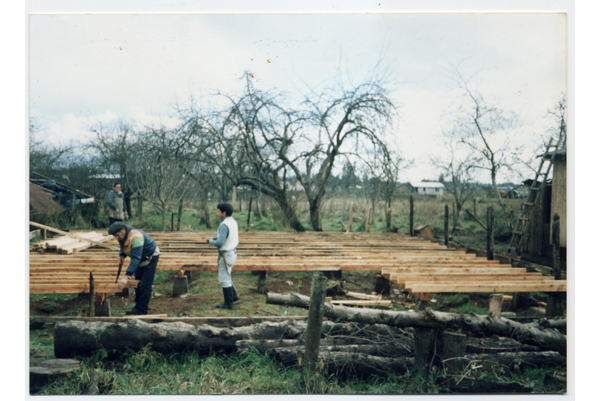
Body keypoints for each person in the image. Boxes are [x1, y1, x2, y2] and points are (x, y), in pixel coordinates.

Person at [110, 222, 160, 315]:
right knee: (137, 283)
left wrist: (126, 277)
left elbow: (136, 259)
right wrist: (122, 255)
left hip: (150, 256)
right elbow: (123, 246)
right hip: (140, 256)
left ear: (123, 230)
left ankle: (142, 312)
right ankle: (137, 307)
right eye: (114, 236)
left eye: (117, 235)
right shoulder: (122, 235)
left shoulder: (136, 237)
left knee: (145, 285)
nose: (116, 238)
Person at [206, 203, 240, 309]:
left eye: (218, 211)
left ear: (224, 213)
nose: (217, 214)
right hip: (232, 252)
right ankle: (233, 296)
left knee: (224, 278)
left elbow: (220, 243)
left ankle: (228, 304)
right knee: (227, 275)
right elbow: (224, 237)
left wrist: (211, 241)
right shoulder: (232, 221)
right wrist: (214, 238)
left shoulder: (224, 225)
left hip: (226, 254)